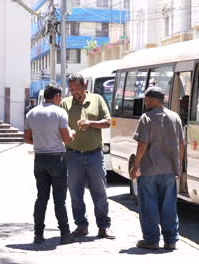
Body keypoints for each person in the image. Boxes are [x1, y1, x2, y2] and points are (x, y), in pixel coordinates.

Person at [60, 74, 115, 239]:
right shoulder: (65, 103)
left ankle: (104, 226)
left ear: (84, 86)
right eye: (71, 89)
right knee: (75, 194)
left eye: (77, 88)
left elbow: (107, 122)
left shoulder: (97, 99)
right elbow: (60, 127)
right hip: (73, 155)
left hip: (94, 155)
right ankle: (81, 225)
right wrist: (69, 133)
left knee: (100, 193)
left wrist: (90, 123)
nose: (74, 92)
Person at [130, 86, 185, 250]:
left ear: (154, 100)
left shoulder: (146, 118)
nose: (145, 102)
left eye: (147, 99)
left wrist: (136, 165)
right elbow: (181, 144)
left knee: (148, 205)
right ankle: (171, 240)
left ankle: (152, 240)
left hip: (149, 170)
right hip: (169, 170)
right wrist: (179, 166)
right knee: (169, 205)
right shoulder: (175, 117)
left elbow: (142, 144)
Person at [24, 84, 75, 245]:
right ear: (57, 96)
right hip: (57, 159)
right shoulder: (60, 112)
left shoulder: (32, 113)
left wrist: (40, 142)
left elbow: (27, 138)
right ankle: (65, 234)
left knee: (41, 198)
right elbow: (67, 139)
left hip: (40, 158)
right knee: (59, 200)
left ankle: (38, 234)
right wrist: (72, 133)